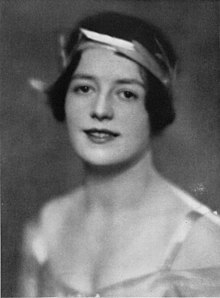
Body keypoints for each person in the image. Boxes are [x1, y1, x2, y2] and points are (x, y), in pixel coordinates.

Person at [18, 12, 220, 297]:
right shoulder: (47, 226)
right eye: (84, 88)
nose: (100, 110)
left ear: (155, 108)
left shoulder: (204, 244)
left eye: (126, 94)